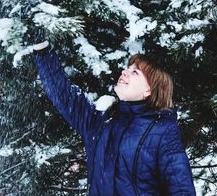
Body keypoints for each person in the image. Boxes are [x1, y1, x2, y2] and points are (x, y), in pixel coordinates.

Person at [33, 40, 196, 196]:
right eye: (128, 68)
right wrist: (42, 51)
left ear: (149, 90)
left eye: (135, 72)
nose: (124, 72)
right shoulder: (103, 121)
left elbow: (181, 189)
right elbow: (65, 96)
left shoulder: (162, 130)